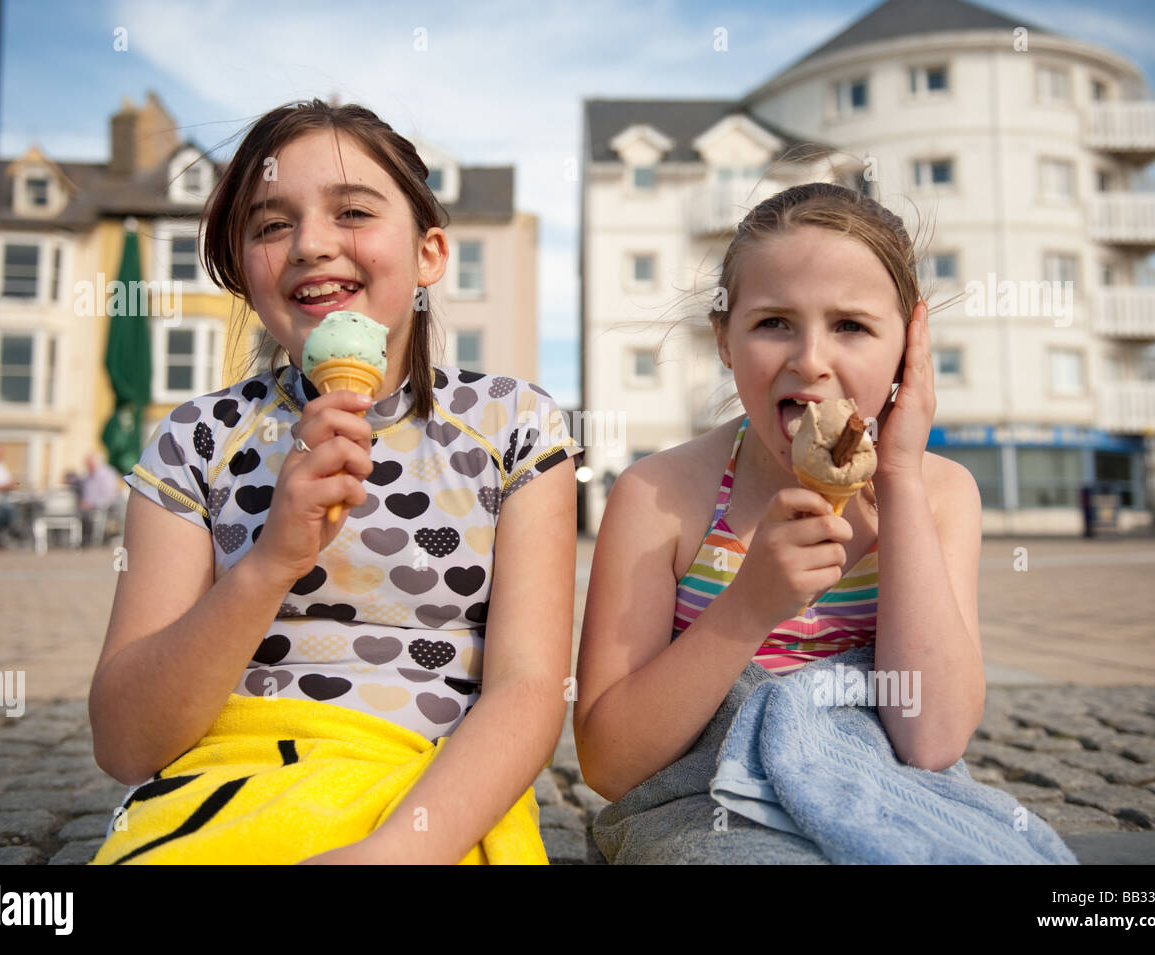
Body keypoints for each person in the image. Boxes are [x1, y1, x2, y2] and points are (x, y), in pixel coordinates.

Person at [88, 99, 580, 864]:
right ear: (246, 274)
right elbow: (126, 739)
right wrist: (271, 559)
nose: (311, 244)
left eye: (352, 211)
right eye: (270, 224)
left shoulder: (516, 427)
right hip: (228, 786)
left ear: (429, 254)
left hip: (431, 794)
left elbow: (526, 690)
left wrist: (392, 853)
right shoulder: (198, 440)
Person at [574, 183, 989, 863]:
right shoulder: (658, 494)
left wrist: (901, 478)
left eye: (851, 326)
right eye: (774, 323)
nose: (811, 360)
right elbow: (610, 764)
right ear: (724, 340)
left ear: (910, 346)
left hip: (888, 802)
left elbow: (932, 740)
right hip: (703, 812)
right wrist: (750, 606)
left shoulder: (941, 494)